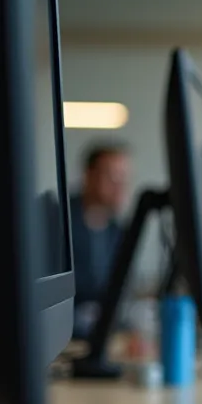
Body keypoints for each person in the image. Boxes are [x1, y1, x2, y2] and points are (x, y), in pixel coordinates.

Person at [69, 140, 131, 338]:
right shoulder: (57, 222)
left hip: (106, 333)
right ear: (89, 175)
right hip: (68, 337)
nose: (119, 186)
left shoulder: (117, 231)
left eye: (124, 178)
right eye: (112, 177)